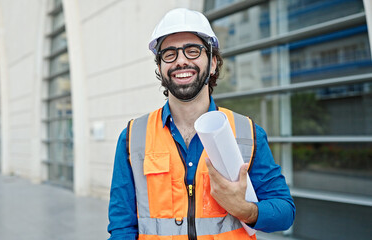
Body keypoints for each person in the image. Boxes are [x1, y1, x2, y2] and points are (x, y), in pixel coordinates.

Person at [107, 8, 295, 240]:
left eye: (192, 51)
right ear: (159, 68)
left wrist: (243, 208)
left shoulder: (247, 132)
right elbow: (122, 227)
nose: (181, 61)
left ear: (213, 63)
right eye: (169, 54)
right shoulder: (133, 137)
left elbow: (285, 213)